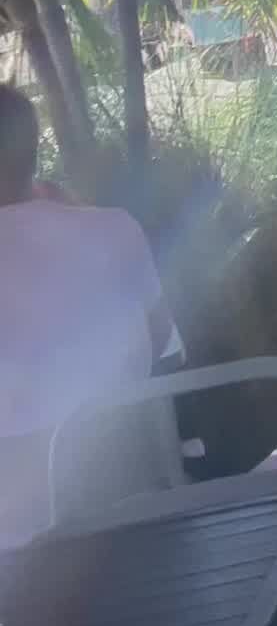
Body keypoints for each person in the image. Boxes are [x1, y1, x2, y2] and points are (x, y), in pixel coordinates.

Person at [0, 84, 176, 549]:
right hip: (131, 483)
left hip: (18, 530)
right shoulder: (115, 226)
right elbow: (162, 341)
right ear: (33, 150)